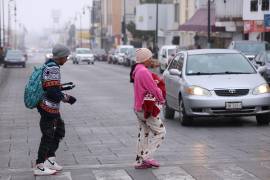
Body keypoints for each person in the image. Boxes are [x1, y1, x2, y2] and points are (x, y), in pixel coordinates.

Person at [34, 44, 77, 176]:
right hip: (47, 107)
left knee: (58, 130)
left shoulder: (51, 65)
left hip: (50, 107)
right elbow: (52, 91)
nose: (67, 59)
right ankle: (39, 165)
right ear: (61, 57)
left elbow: (50, 87)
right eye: (66, 56)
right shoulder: (53, 68)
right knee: (48, 135)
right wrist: (67, 98)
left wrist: (63, 88)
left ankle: (50, 160)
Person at [130, 48, 166, 169]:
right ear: (144, 59)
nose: (151, 60)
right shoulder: (144, 72)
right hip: (146, 109)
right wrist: (162, 100)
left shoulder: (137, 70)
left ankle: (140, 161)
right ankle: (147, 157)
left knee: (143, 133)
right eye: (150, 58)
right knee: (161, 132)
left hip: (138, 108)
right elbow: (154, 89)